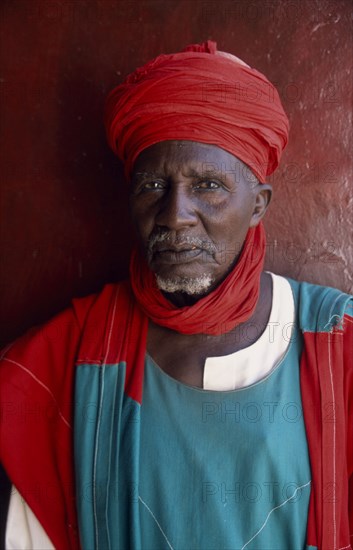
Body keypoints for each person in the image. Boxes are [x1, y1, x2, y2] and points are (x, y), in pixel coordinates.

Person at [1, 40, 352, 550]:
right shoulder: (68, 356)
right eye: (152, 186)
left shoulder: (337, 342)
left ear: (258, 205)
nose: (174, 215)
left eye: (208, 185)